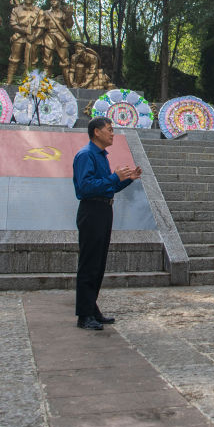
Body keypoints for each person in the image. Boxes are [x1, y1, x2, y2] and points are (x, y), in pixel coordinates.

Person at [73, 117, 142, 330]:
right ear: (96, 132)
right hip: (91, 211)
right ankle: (84, 315)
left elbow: (106, 188)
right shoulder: (86, 156)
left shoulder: (102, 156)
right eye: (109, 130)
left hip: (103, 210)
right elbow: (85, 188)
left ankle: (92, 309)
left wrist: (127, 179)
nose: (113, 134)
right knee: (89, 263)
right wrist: (114, 178)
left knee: (99, 263)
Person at [6, 0, 45, 84]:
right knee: (14, 60)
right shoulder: (16, 10)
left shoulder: (39, 11)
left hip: (33, 38)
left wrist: (34, 36)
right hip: (19, 37)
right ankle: (8, 82)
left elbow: (41, 26)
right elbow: (13, 23)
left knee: (33, 61)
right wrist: (24, 31)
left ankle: (32, 82)